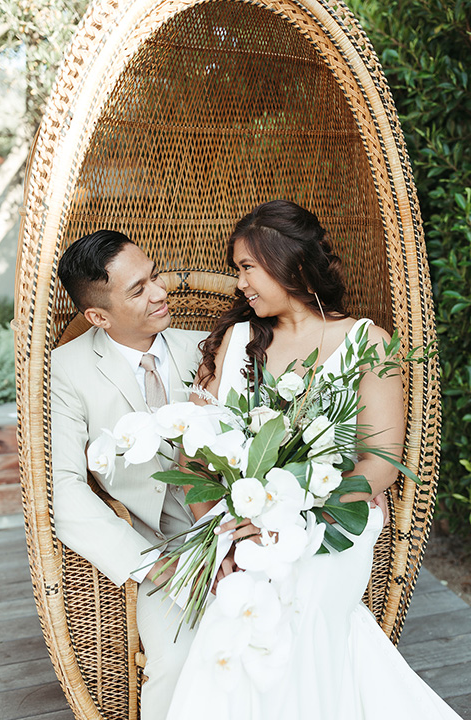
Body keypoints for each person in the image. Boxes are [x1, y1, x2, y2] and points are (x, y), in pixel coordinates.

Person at [165, 200, 462, 720]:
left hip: (336, 518)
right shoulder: (237, 343)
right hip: (239, 522)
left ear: (292, 266)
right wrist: (222, 531)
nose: (240, 285)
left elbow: (381, 463)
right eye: (238, 270)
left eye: (247, 268)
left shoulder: (367, 343)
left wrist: (294, 520)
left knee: (298, 603)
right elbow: (196, 457)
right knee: (244, 601)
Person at [51, 230, 207, 720]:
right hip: (155, 546)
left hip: (231, 525)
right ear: (98, 316)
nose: (160, 292)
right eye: (137, 290)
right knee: (176, 660)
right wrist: (149, 565)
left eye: (154, 275)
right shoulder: (65, 370)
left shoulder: (207, 347)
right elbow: (63, 488)